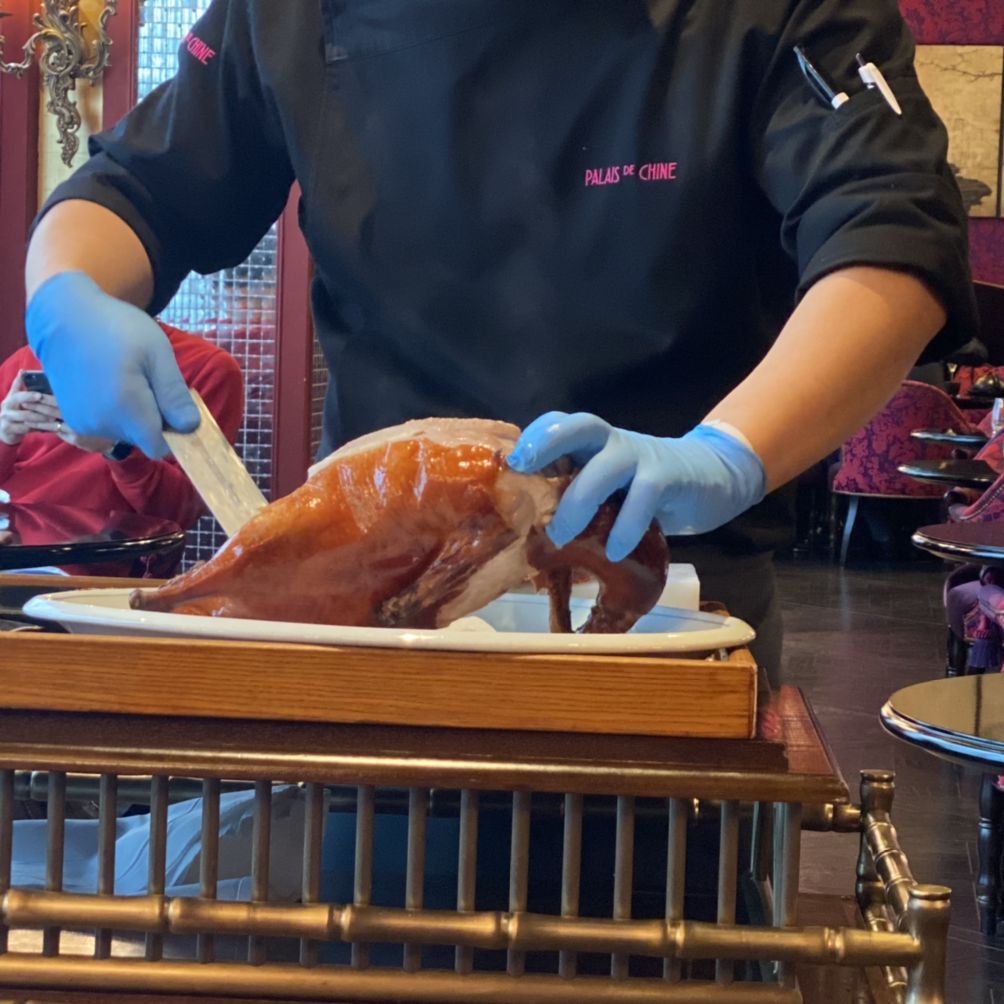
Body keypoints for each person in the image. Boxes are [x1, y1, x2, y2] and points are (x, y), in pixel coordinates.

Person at [21, 0, 976, 683]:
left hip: (669, 604)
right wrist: (67, 299)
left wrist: (728, 452)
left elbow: (889, 232)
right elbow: (132, 193)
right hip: (367, 602)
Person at [0, 322, 244, 533]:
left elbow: (179, 512)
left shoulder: (205, 367)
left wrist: (117, 447)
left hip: (104, 557)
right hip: (12, 544)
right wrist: (5, 438)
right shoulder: (31, 356)